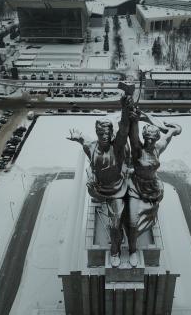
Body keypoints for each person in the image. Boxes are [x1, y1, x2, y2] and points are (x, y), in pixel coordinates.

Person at [67, 96, 131, 267]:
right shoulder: (91, 146)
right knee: (111, 219)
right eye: (101, 133)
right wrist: (78, 138)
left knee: (115, 225)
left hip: (117, 191)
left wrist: (125, 109)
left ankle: (115, 251)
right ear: (97, 133)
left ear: (111, 134)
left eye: (107, 133)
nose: (104, 136)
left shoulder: (116, 148)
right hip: (99, 190)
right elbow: (83, 140)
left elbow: (124, 129)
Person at [126, 110, 182, 267]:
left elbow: (169, 136)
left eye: (153, 139)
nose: (150, 141)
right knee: (132, 221)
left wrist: (173, 129)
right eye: (147, 138)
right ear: (144, 138)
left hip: (152, 189)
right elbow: (133, 135)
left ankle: (136, 237)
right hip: (136, 187)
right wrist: (135, 120)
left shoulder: (158, 148)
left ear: (156, 139)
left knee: (147, 218)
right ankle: (132, 250)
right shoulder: (138, 150)